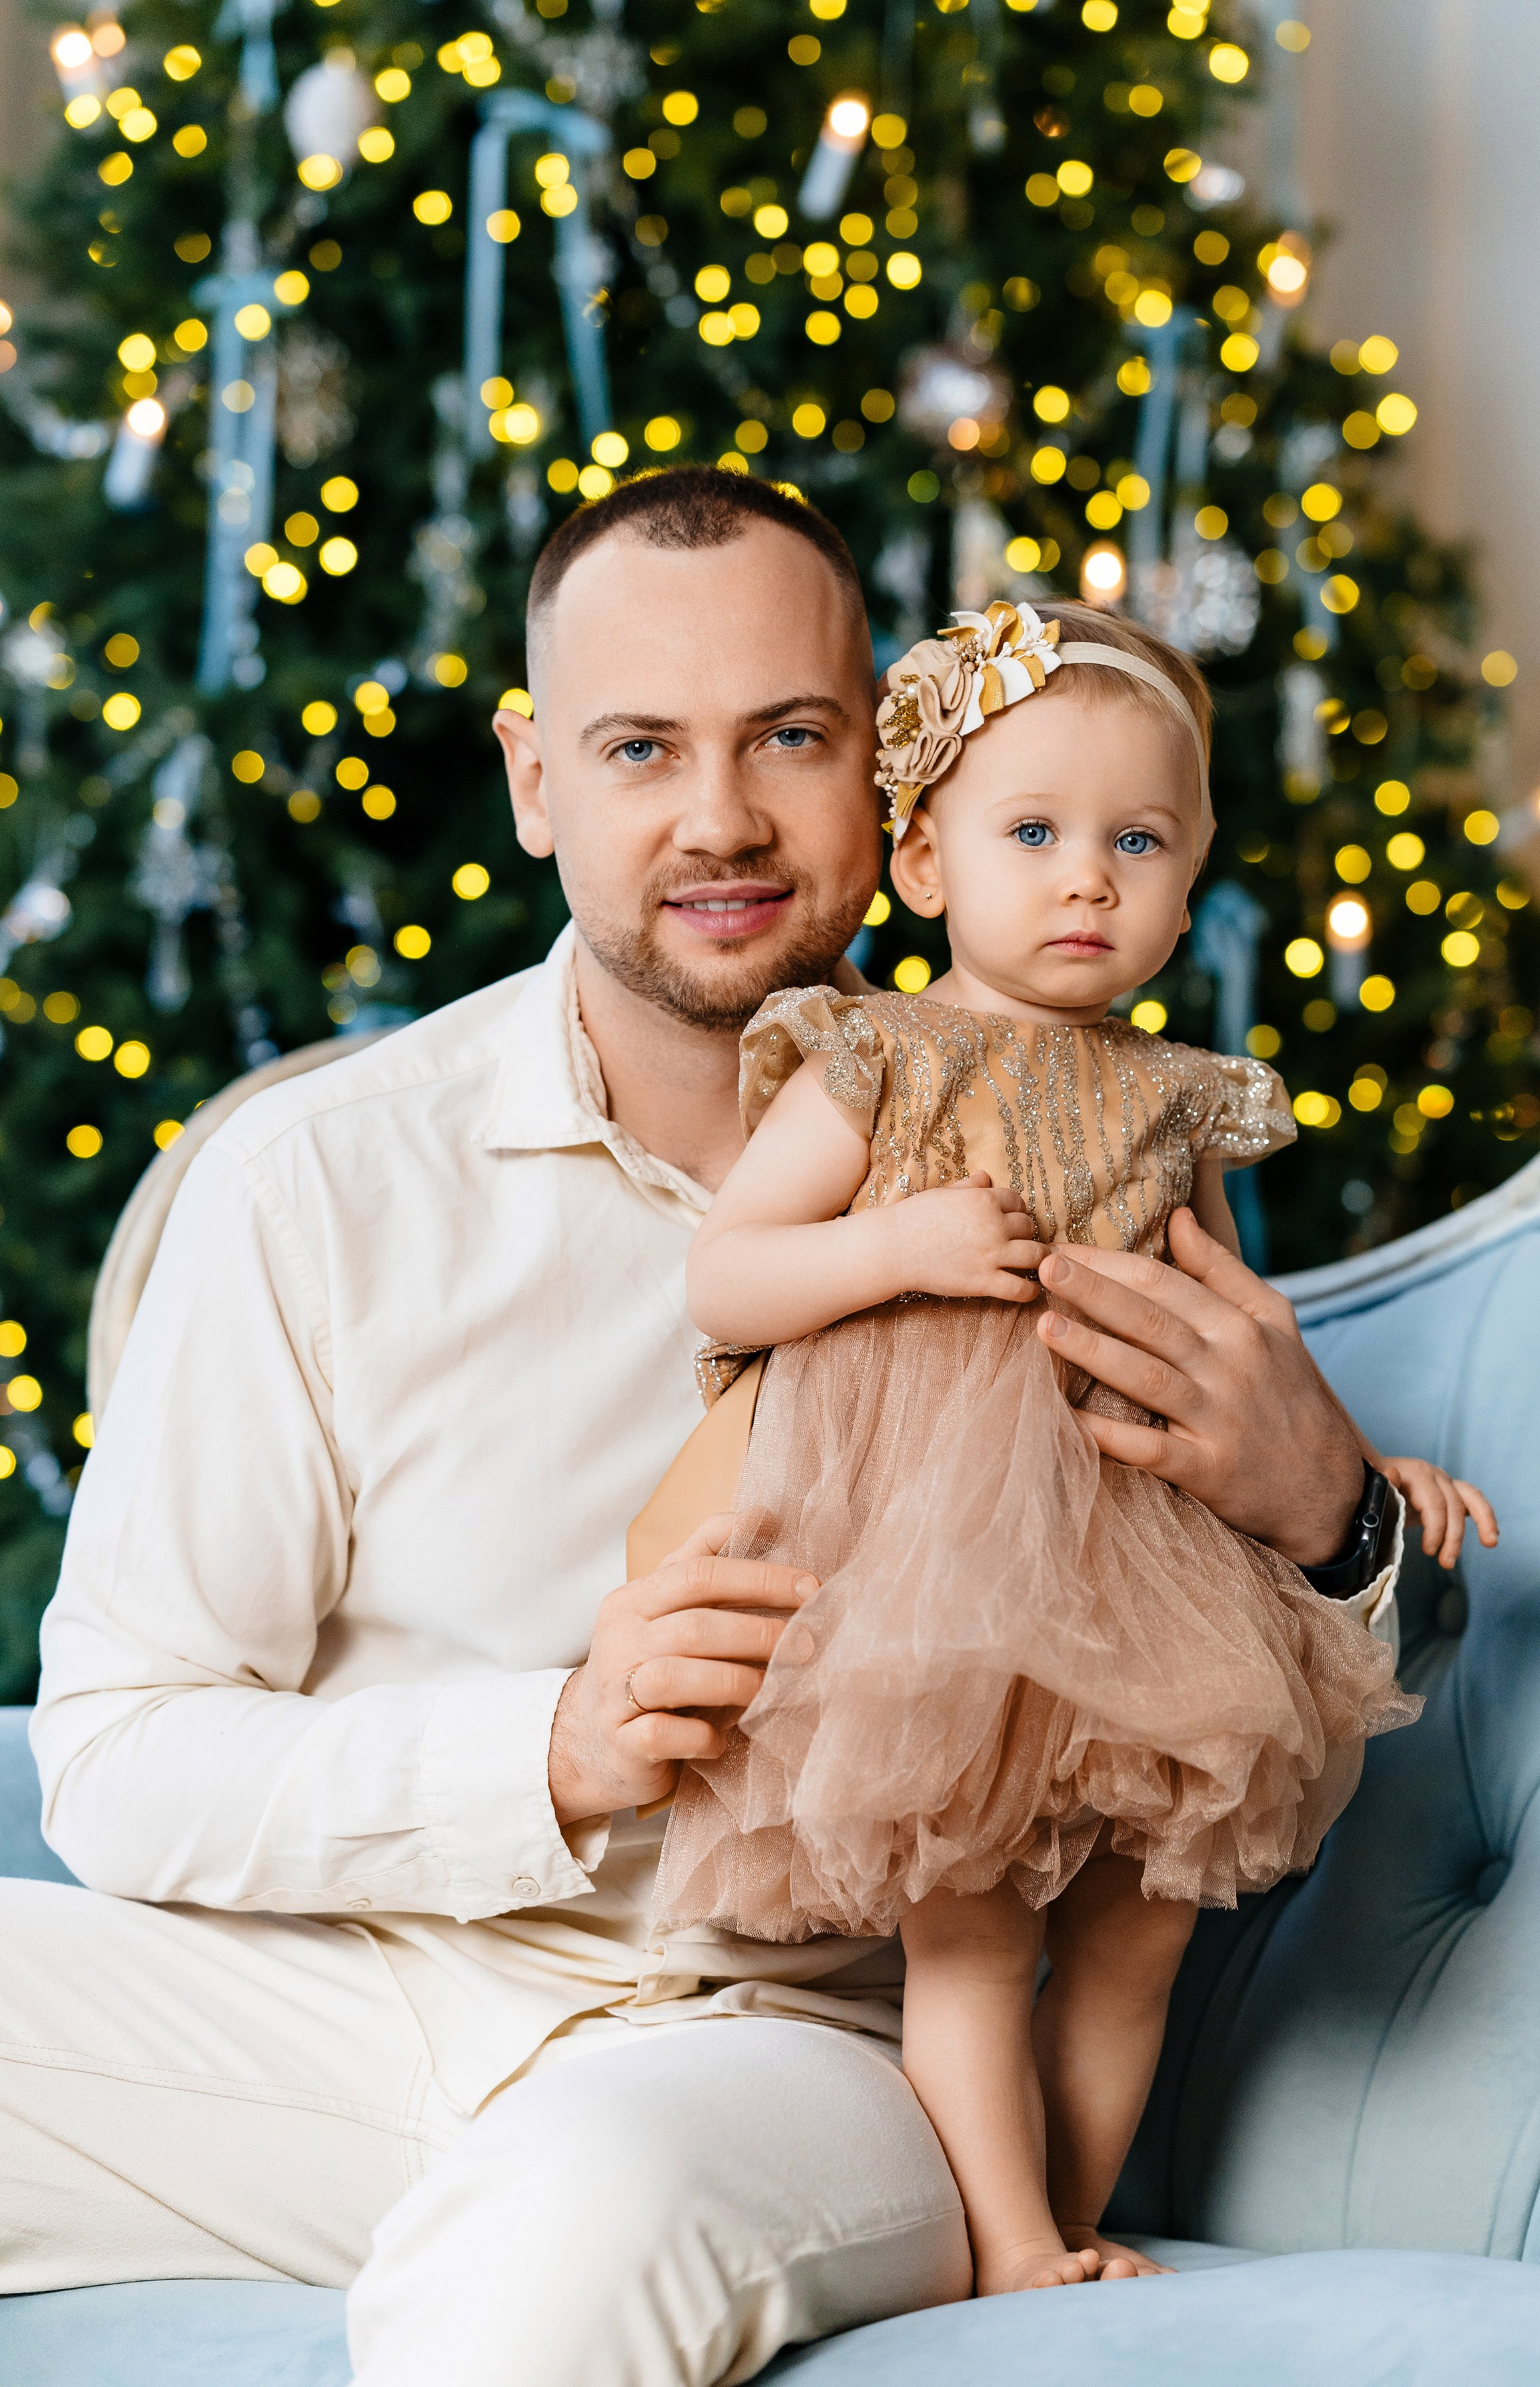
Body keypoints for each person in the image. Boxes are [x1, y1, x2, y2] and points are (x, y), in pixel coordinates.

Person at [0, 472, 1447, 2387]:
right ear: (535, 782)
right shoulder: (315, 1185)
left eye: (792, 736)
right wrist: (554, 1747)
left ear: (898, 785)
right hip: (347, 2002)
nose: (722, 821)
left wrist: (1339, 1515)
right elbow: (112, 1755)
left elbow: (1271, 1668)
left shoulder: (1079, 1150)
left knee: (557, 2251)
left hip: (785, 2044)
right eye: (634, 748)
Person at [657, 597, 1496, 2299]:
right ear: (923, 863)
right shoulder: (874, 1054)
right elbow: (725, 1271)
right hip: (938, 1566)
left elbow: (1234, 1330)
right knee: (970, 1927)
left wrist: (1368, 1467)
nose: (1088, 879)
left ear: (1192, 878)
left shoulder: (1179, 1097)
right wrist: (898, 1252)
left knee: (1144, 1924)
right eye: (1033, 833)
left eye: (1139, 840)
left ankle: (1075, 2224)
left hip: (1139, 1560)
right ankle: (1012, 2244)